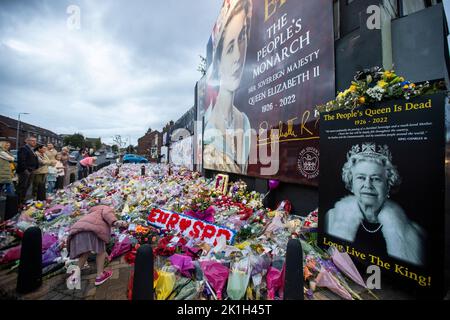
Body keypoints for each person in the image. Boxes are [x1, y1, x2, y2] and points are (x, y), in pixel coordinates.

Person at [324, 143, 426, 266]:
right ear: (351, 184)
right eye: (361, 178)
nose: (368, 185)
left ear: (388, 185)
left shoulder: (412, 234)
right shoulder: (331, 218)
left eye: (376, 178)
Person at [203, 0, 253, 174]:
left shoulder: (244, 121)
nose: (238, 56)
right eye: (230, 48)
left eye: (242, 38)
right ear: (218, 61)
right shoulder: (210, 132)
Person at [67, 205, 127, 286]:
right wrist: (116, 222)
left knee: (85, 252)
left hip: (77, 230)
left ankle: (75, 275)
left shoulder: (91, 212)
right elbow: (108, 215)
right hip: (94, 230)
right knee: (100, 252)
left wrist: (107, 255)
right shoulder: (104, 209)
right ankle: (100, 276)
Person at [16, 136, 39, 204]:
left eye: (35, 141)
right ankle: (18, 202)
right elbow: (21, 160)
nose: (34, 142)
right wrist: (25, 170)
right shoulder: (24, 148)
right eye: (32, 140)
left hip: (31, 170)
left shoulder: (32, 149)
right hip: (25, 171)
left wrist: (35, 168)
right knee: (22, 187)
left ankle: (22, 201)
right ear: (27, 141)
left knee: (27, 187)